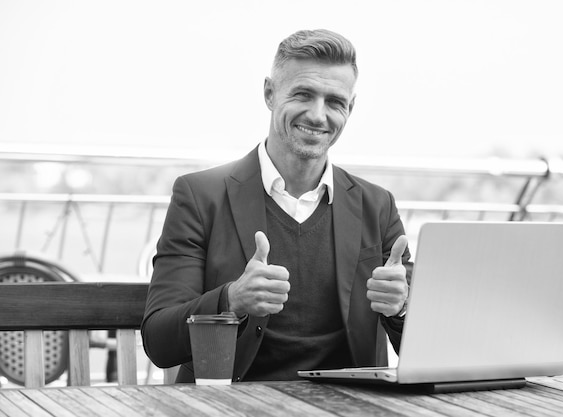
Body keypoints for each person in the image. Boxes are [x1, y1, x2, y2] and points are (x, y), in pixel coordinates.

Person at [141, 28, 412, 383]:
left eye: (335, 102)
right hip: (231, 406)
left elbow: (431, 349)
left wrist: (401, 309)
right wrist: (231, 299)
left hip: (349, 407)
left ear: (351, 108)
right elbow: (159, 341)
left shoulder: (377, 205)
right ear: (270, 93)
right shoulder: (199, 196)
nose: (318, 115)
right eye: (303, 95)